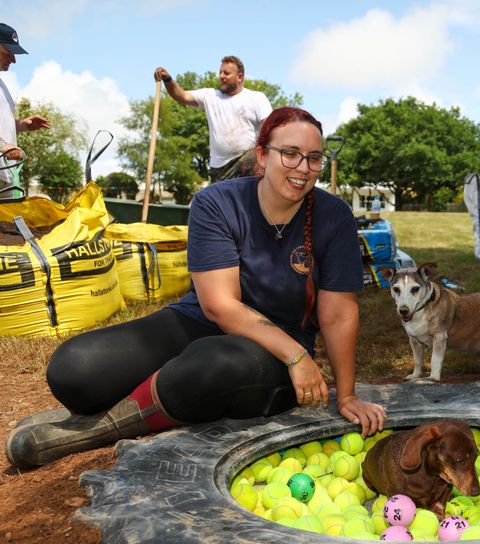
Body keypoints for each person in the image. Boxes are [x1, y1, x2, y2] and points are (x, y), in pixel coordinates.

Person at [5, 106, 387, 469]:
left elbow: (338, 313)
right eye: (290, 153)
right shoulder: (217, 202)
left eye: (314, 158)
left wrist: (346, 394)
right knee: (74, 368)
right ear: (262, 155)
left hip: (270, 351)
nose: (303, 168)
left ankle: (100, 428)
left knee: (209, 366)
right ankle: (145, 398)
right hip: (204, 322)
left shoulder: (333, 216)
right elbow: (220, 306)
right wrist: (298, 356)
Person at [154, 56, 272, 183]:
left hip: (246, 160)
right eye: (220, 72)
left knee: (257, 155)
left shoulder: (256, 98)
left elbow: (270, 128)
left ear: (240, 77)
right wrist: (168, 79)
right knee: (220, 200)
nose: (221, 76)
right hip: (219, 167)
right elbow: (182, 95)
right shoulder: (210, 96)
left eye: (226, 73)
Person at [0, 23, 50, 188]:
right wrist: (2, 146)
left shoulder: (2, 86)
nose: (13, 60)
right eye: (8, 52)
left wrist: (23, 125)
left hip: (6, 174)